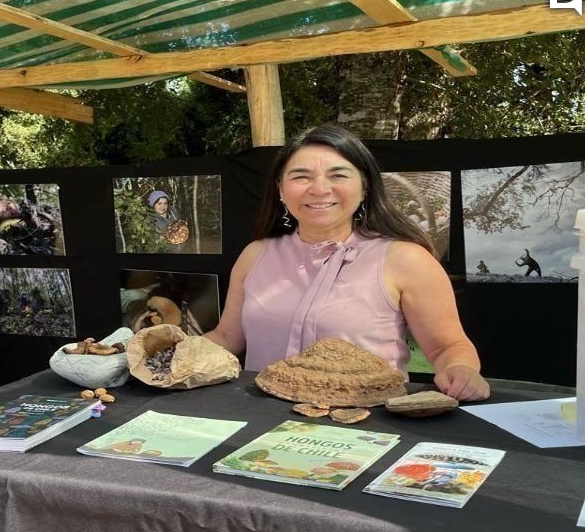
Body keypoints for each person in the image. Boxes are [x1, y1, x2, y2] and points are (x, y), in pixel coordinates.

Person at [202, 124, 490, 401]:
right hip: (262, 420)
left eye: (338, 175)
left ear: (365, 186)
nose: (319, 189)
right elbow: (228, 336)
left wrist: (460, 371)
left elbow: (448, 347)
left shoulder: (405, 258)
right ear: (280, 188)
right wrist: (174, 350)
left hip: (367, 428)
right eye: (301, 176)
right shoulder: (256, 255)